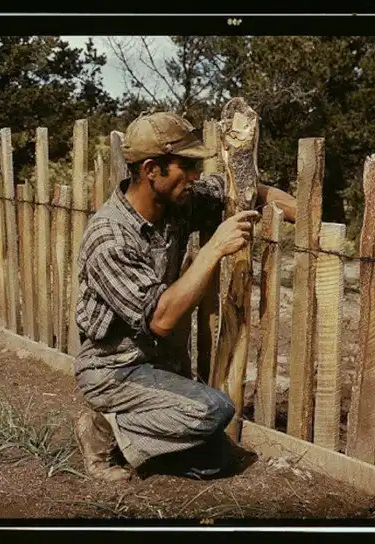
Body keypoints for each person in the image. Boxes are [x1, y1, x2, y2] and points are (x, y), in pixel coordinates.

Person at [72, 111, 297, 482]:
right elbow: (160, 320)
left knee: (217, 461)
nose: (195, 176)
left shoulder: (176, 202)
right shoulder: (109, 238)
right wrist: (214, 249)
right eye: (187, 166)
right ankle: (101, 428)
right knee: (215, 409)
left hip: (158, 367)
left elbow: (248, 191)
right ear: (151, 170)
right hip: (115, 369)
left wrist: (305, 216)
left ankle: (140, 442)